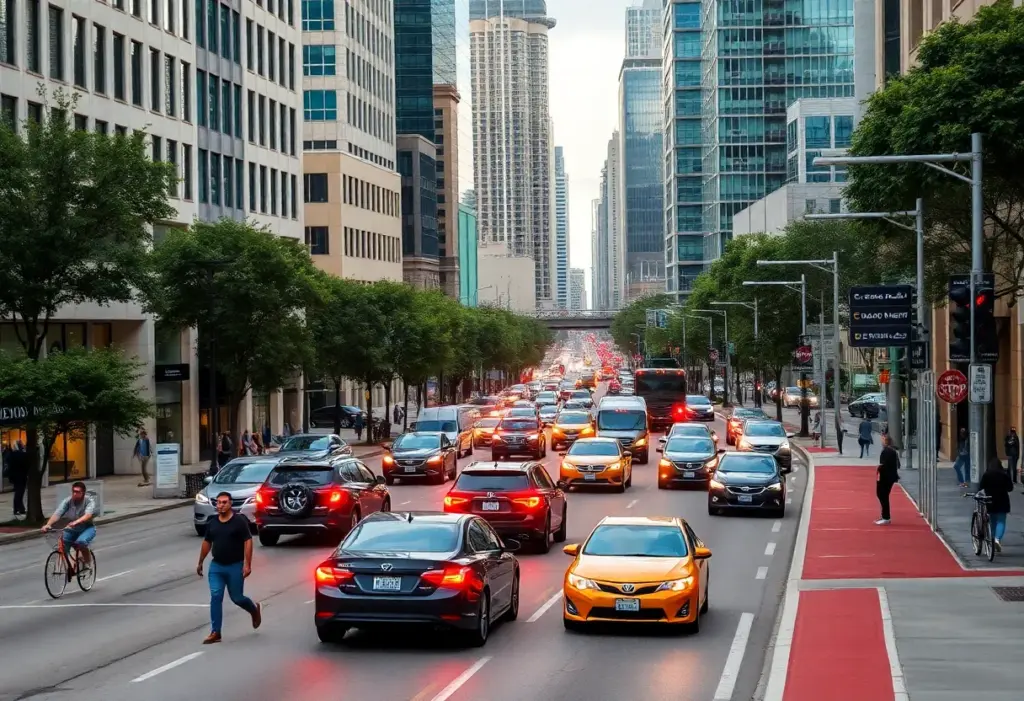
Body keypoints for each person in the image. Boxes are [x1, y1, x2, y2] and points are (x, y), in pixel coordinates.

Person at [196, 491, 262, 644]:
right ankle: (215, 632)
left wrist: (247, 564)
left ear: (230, 504)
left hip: (235, 566)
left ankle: (254, 610)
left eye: (224, 502)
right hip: (217, 567)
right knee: (216, 596)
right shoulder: (212, 522)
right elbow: (207, 542)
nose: (221, 505)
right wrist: (200, 562)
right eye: (218, 502)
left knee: (237, 598)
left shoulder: (239, 521)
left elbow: (248, 541)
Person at [41, 481, 97, 570]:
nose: (75, 494)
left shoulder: (89, 501)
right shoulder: (68, 501)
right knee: (62, 544)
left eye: (78, 492)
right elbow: (58, 513)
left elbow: (88, 515)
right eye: (73, 491)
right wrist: (48, 524)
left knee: (81, 542)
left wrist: (76, 522)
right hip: (72, 529)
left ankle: (87, 563)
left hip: (87, 528)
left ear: (83, 493)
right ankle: (70, 567)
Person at [980, 458, 1013, 551]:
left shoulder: (987, 475)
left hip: (990, 501)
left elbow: (981, 486)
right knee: (1001, 521)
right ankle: (997, 539)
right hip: (1003, 501)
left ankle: (992, 538)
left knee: (992, 521)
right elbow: (1010, 488)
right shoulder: (1004, 474)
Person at [875, 434, 900, 525]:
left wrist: (880, 468)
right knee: (882, 495)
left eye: (882, 440)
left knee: (882, 495)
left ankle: (886, 517)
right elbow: (898, 464)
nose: (881, 442)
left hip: (886, 477)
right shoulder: (892, 451)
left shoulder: (887, 451)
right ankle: (884, 516)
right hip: (889, 476)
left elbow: (884, 464)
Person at [8, 440, 28, 516]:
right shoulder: (20, 455)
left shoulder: (12, 454)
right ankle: (17, 509)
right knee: (19, 492)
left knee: (19, 492)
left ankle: (20, 508)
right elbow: (25, 464)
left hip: (16, 476)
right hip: (20, 476)